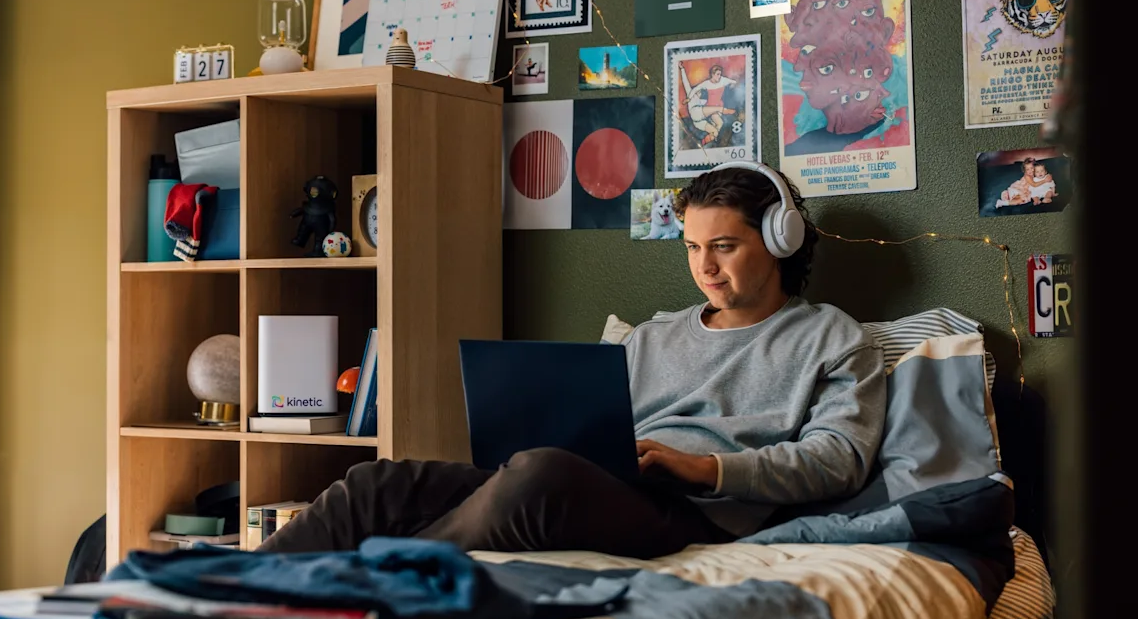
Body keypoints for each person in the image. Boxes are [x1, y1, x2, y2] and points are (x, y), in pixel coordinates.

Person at [259, 163, 887, 558]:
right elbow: (596, 429)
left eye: (724, 246)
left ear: (782, 239)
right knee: (378, 483)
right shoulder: (654, 335)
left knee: (540, 477)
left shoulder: (833, 340)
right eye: (693, 247)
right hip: (605, 483)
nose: (704, 267)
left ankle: (377, 570)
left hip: (698, 515)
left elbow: (838, 461)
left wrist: (702, 467)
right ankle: (234, 579)